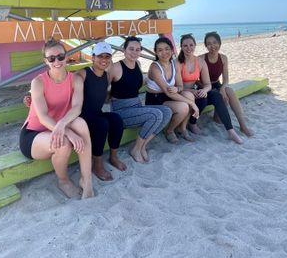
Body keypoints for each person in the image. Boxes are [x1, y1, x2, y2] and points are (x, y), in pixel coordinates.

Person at [19, 38, 94, 199]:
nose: (57, 61)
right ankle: (63, 181)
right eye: (51, 58)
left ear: (67, 56)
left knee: (81, 124)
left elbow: (76, 108)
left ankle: (86, 180)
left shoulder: (75, 79)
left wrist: (62, 125)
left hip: (58, 125)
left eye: (60, 56)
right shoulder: (38, 82)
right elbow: (43, 117)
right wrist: (67, 132)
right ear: (45, 61)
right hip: (34, 134)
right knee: (63, 143)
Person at [109, 36, 172, 163]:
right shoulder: (115, 67)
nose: (134, 52)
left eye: (137, 50)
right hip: (121, 111)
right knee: (155, 114)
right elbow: (104, 88)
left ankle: (142, 145)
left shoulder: (137, 64)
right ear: (124, 50)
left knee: (167, 111)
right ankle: (136, 149)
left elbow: (135, 82)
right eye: (131, 49)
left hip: (137, 107)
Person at [176, 34, 243, 144]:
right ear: (181, 47)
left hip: (195, 91)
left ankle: (231, 131)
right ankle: (192, 123)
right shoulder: (177, 62)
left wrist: (204, 90)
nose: (188, 48)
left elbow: (207, 84)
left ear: (195, 45)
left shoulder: (200, 61)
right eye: (185, 46)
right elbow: (178, 87)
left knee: (214, 95)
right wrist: (195, 91)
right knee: (203, 99)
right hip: (182, 92)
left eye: (191, 45)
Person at [76, 41, 127, 181]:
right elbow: (66, 86)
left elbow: (103, 94)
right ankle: (97, 164)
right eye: (100, 56)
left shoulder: (106, 75)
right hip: (81, 117)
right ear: (93, 57)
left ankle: (113, 157)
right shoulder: (83, 73)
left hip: (96, 114)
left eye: (107, 56)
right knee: (102, 124)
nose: (104, 60)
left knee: (116, 119)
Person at [145, 37, 199, 144]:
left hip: (168, 96)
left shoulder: (174, 64)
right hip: (155, 100)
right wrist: (192, 104)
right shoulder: (155, 68)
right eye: (160, 50)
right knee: (184, 107)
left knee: (189, 95)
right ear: (155, 52)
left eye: (167, 49)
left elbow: (180, 86)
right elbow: (168, 92)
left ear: (172, 50)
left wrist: (177, 88)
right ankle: (169, 131)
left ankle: (182, 128)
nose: (164, 53)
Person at [201, 31, 253, 137]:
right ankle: (217, 117)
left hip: (217, 83)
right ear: (206, 46)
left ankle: (243, 126)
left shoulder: (223, 58)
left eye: (215, 42)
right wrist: (206, 87)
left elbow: (226, 79)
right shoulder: (201, 58)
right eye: (209, 43)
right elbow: (195, 79)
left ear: (220, 43)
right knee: (218, 93)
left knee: (229, 91)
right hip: (204, 87)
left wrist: (223, 88)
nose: (212, 46)